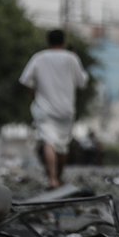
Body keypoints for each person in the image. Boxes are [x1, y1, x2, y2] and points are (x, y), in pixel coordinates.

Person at [19, 29, 88, 188]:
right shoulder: (72, 58)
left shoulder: (39, 57)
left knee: (48, 143)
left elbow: (26, 80)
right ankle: (58, 176)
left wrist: (34, 94)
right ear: (63, 42)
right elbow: (82, 82)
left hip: (44, 108)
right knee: (62, 146)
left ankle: (52, 178)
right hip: (66, 109)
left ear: (47, 41)